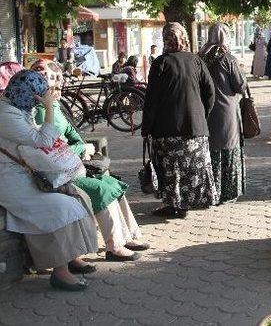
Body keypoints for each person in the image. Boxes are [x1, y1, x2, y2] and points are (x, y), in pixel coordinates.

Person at [31, 59, 148, 262]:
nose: (59, 86)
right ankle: (114, 245)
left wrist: (81, 147)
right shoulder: (43, 111)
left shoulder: (54, 106)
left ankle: (129, 235)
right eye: (55, 82)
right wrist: (81, 148)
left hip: (71, 165)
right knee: (100, 189)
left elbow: (71, 134)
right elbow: (49, 148)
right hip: (58, 173)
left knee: (112, 183)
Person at [0, 70, 98, 291]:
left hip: (24, 175)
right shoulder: (5, 114)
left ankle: (72, 257)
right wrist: (51, 108)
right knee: (59, 208)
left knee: (76, 197)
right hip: (10, 182)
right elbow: (43, 139)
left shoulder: (17, 108)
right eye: (38, 95)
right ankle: (60, 271)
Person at [142, 23, 218, 219]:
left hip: (167, 130)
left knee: (171, 169)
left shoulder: (161, 63)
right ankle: (189, 202)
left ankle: (173, 205)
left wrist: (146, 128)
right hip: (195, 128)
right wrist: (202, 114)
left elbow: (152, 100)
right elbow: (210, 92)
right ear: (184, 38)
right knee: (193, 168)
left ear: (165, 39)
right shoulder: (196, 61)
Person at [200, 24, 248, 203]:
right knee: (228, 150)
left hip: (206, 111)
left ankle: (211, 191)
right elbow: (240, 85)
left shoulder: (201, 57)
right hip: (227, 111)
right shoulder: (227, 58)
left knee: (211, 151)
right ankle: (227, 193)